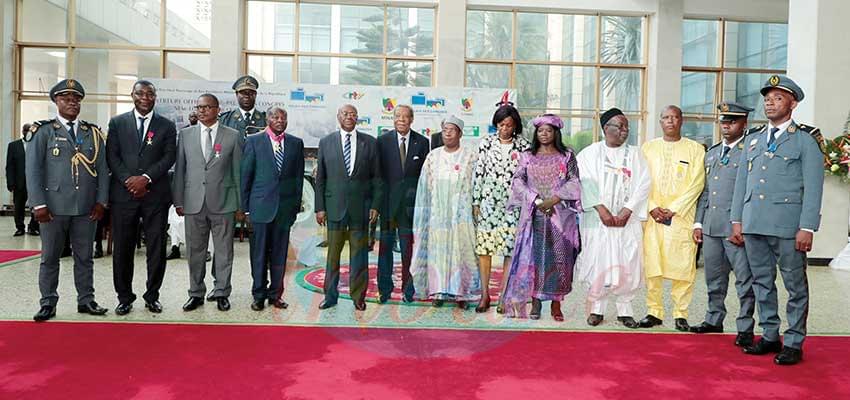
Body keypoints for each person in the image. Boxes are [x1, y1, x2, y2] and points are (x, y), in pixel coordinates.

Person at [730, 75, 824, 365]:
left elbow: (813, 187)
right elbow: (741, 183)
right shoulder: (754, 140)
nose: (770, 102)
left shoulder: (805, 141)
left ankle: (794, 341)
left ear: (792, 104)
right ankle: (770, 335)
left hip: (788, 227)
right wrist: (737, 219)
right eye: (767, 98)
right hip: (754, 223)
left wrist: (807, 227)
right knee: (762, 283)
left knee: (795, 286)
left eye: (778, 98)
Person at [27, 79, 109, 321]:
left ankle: (86, 300)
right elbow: (33, 171)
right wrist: (38, 204)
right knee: (50, 257)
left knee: (85, 258)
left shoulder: (92, 133)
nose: (72, 102)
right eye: (65, 98)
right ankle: (48, 303)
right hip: (52, 208)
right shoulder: (42, 131)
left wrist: (101, 202)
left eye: (76, 99)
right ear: (56, 101)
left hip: (86, 208)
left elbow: (103, 170)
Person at [690, 102, 757, 347]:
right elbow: (705, 192)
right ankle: (714, 319)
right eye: (724, 121)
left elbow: (751, 192)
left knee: (744, 280)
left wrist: (744, 225)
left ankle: (745, 328)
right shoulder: (713, 152)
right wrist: (699, 222)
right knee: (714, 279)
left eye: (733, 121)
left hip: (735, 228)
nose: (727, 125)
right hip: (711, 227)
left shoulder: (750, 151)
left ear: (744, 123)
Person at [106, 80, 177, 315]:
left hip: (155, 195)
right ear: (132, 95)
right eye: (140, 93)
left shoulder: (166, 125)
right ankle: (124, 297)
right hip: (123, 195)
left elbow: (168, 158)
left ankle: (152, 295)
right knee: (123, 248)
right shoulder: (117, 123)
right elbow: (112, 156)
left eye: (150, 93)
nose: (145, 97)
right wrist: (130, 181)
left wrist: (145, 178)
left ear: (155, 97)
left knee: (156, 248)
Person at [501, 114, 581, 321]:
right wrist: (535, 200)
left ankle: (556, 305)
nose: (544, 134)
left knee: (560, 261)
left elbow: (574, 181)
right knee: (535, 260)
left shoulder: (567, 155)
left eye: (548, 130)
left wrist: (554, 199)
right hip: (534, 215)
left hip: (560, 217)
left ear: (556, 133)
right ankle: (535, 303)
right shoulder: (528, 155)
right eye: (540, 130)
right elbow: (518, 180)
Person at [576, 108, 650, 328]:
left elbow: (644, 184)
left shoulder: (636, 154)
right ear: (606, 128)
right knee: (598, 260)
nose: (625, 131)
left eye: (627, 126)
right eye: (620, 126)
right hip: (598, 221)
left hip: (627, 220)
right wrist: (602, 210)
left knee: (627, 260)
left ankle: (625, 309)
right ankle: (597, 308)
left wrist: (627, 210)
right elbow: (584, 183)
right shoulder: (589, 154)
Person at [173, 94, 243, 312]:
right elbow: (180, 170)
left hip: (224, 201)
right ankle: (195, 293)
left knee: (224, 251)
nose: (202, 111)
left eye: (207, 107)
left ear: (217, 110)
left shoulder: (232, 136)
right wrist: (178, 200)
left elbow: (238, 172)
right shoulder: (185, 134)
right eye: (199, 107)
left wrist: (241, 205)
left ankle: (222, 291)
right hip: (193, 202)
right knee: (195, 251)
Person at [638, 105, 705, 331]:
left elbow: (697, 184)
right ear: (660, 121)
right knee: (653, 265)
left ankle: (680, 313)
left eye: (674, 117)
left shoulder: (695, 150)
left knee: (683, 266)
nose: (670, 121)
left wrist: (674, 208)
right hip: (653, 217)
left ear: (681, 121)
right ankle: (653, 311)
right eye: (665, 117)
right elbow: (640, 182)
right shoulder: (648, 148)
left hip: (681, 217)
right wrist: (652, 207)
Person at [315, 104, 381, 311]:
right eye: (345, 113)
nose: (349, 117)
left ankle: (358, 296)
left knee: (359, 256)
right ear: (338, 116)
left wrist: (375, 206)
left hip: (360, 209)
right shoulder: (326, 142)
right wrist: (320, 208)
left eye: (353, 114)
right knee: (333, 255)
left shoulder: (369, 143)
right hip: (334, 208)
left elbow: (377, 178)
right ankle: (330, 296)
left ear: (357, 118)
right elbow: (321, 178)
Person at [410, 115, 481, 309]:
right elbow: (424, 187)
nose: (447, 133)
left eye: (452, 129)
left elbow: (476, 185)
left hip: (461, 217)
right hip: (438, 216)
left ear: (460, 133)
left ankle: (462, 294)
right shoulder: (433, 156)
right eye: (444, 130)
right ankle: (438, 292)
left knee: (461, 252)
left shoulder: (471, 156)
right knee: (437, 254)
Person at [242, 106, 304, 311]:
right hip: (259, 209)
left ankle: (276, 294)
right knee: (259, 254)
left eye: (283, 118)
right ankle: (258, 294)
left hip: (284, 211)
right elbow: (246, 177)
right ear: (267, 119)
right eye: (275, 117)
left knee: (279, 255)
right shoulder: (254, 141)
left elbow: (297, 181)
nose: (280, 120)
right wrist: (246, 210)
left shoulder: (296, 143)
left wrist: (294, 208)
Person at [472, 102, 530, 313]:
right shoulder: (485, 143)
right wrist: (476, 202)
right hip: (488, 205)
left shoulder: (524, 147)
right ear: (495, 125)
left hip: (512, 207)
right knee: (484, 250)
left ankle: (503, 297)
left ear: (515, 126)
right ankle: (484, 295)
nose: (504, 129)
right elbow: (479, 173)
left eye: (508, 125)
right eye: (501, 124)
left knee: (508, 251)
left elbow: (526, 178)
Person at [376, 105, 429, 304]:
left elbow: (425, 177)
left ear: (412, 119)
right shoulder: (382, 142)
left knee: (409, 251)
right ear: (393, 118)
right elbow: (378, 175)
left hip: (411, 208)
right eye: (398, 116)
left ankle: (408, 290)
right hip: (388, 206)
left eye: (405, 117)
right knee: (385, 250)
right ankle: (384, 290)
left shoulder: (422, 142)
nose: (401, 120)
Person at [7, 124, 39, 236]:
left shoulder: (37, 145)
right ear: (22, 131)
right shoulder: (13, 146)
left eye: (29, 130)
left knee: (36, 205)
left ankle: (33, 227)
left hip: (35, 182)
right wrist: (10, 183)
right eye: (25, 130)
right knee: (19, 206)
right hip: (19, 182)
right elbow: (10, 166)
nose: (27, 132)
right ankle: (20, 227)